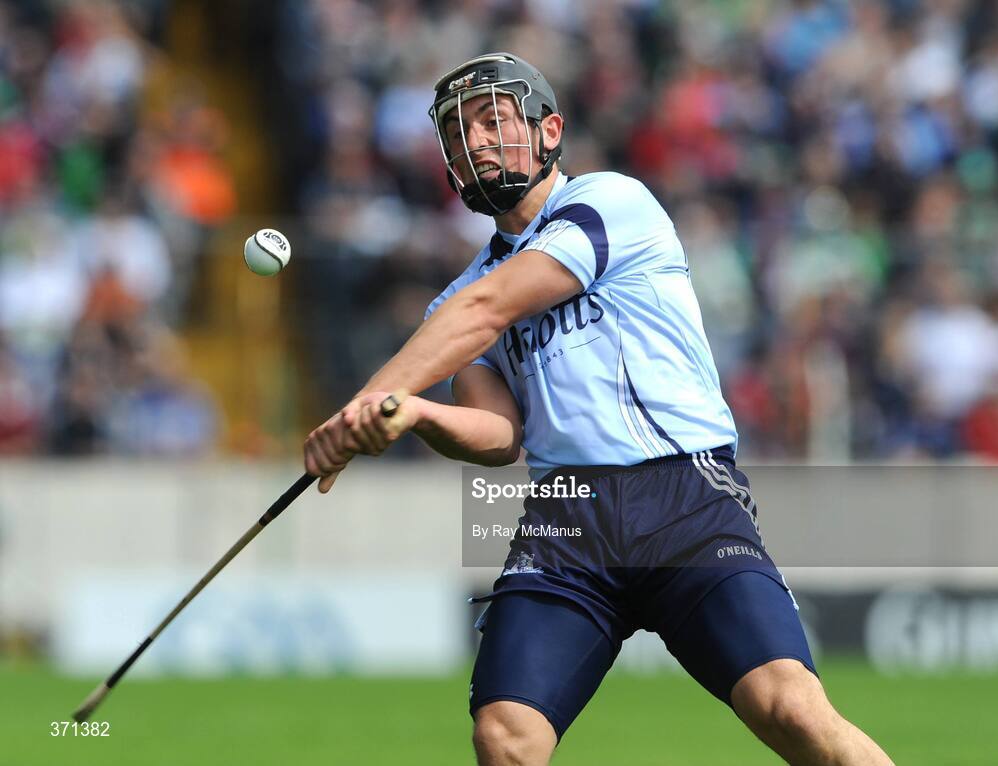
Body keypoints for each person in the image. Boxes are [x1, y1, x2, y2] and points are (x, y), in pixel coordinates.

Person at [304, 52, 894, 766]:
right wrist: (418, 415)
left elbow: (490, 310)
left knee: (791, 709)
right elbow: (498, 438)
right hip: (566, 519)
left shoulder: (611, 202)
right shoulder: (453, 302)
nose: (477, 143)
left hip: (685, 499)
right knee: (505, 735)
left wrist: (363, 401)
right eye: (460, 137)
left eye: (493, 122)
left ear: (550, 129)